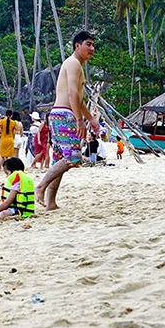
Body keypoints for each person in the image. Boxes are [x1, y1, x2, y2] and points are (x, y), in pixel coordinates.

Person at [35, 31, 100, 210]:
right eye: (88, 44)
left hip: (60, 113)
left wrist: (91, 120)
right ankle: (40, 186)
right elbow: (72, 93)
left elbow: (79, 98)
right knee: (73, 157)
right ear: (77, 46)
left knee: (59, 159)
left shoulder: (76, 65)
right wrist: (79, 120)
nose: (92, 48)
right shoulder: (73, 63)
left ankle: (51, 202)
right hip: (64, 114)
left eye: (93, 45)